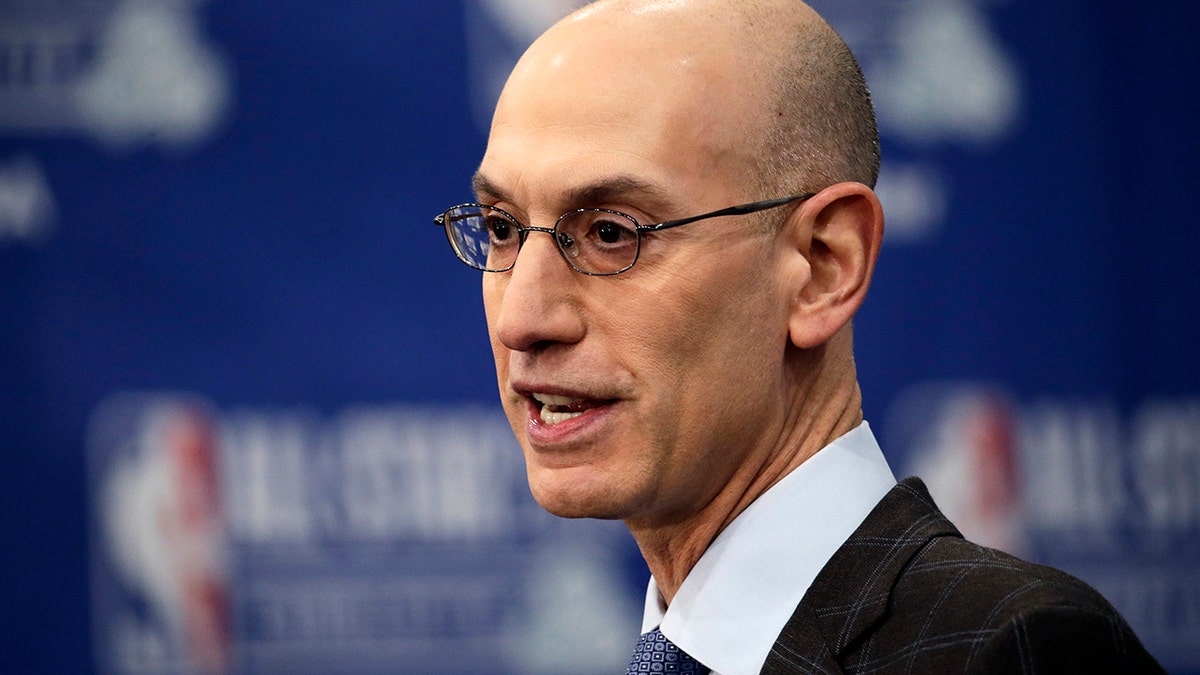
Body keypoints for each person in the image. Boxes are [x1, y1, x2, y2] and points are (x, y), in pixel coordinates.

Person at [433, 0, 1163, 672]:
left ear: (823, 267)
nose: (521, 318)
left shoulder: (1009, 649)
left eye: (610, 232)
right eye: (500, 228)